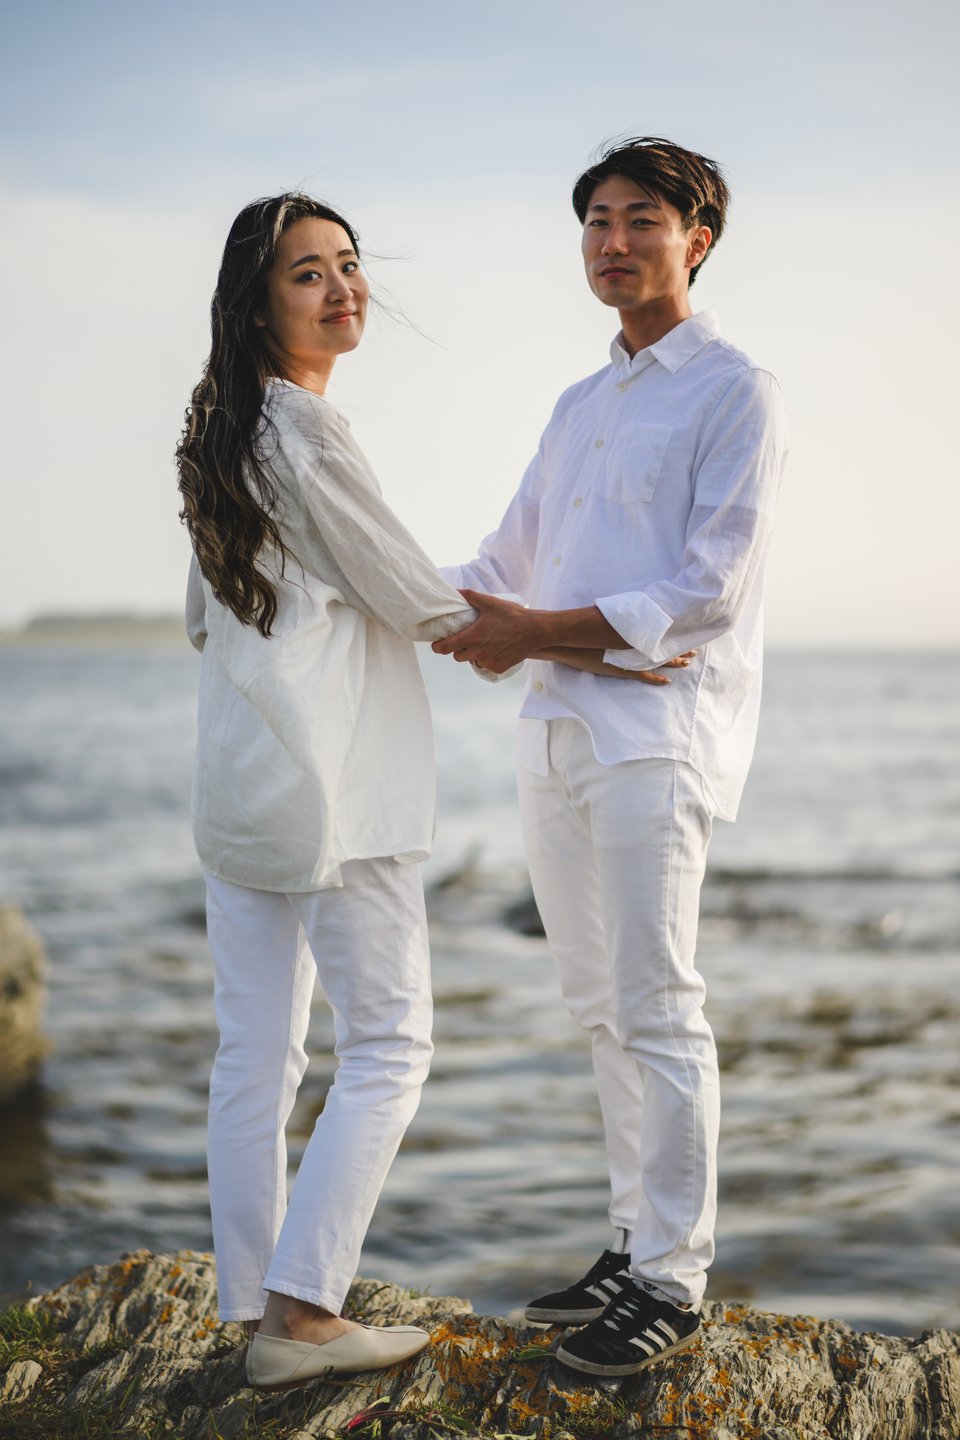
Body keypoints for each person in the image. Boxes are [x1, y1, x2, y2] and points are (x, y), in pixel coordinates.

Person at [177, 192, 663, 1391]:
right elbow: (414, 596)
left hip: (241, 781)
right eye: (307, 273)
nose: (344, 287)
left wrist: (450, 615)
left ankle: (252, 1311)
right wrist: (599, 641)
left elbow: (223, 616)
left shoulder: (222, 439)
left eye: (348, 264)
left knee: (256, 1056)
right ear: (256, 304)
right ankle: (301, 1317)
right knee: (392, 1043)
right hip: (337, 786)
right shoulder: (302, 431)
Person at [433, 137, 789, 1377]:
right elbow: (503, 562)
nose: (615, 240)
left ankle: (675, 1280)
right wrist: (361, 583)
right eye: (596, 219)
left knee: (658, 1002)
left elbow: (707, 596)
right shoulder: (577, 406)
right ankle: (633, 1242)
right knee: (598, 1006)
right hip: (555, 732)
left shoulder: (737, 391)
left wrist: (532, 634)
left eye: (643, 217)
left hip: (657, 741)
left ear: (698, 239)